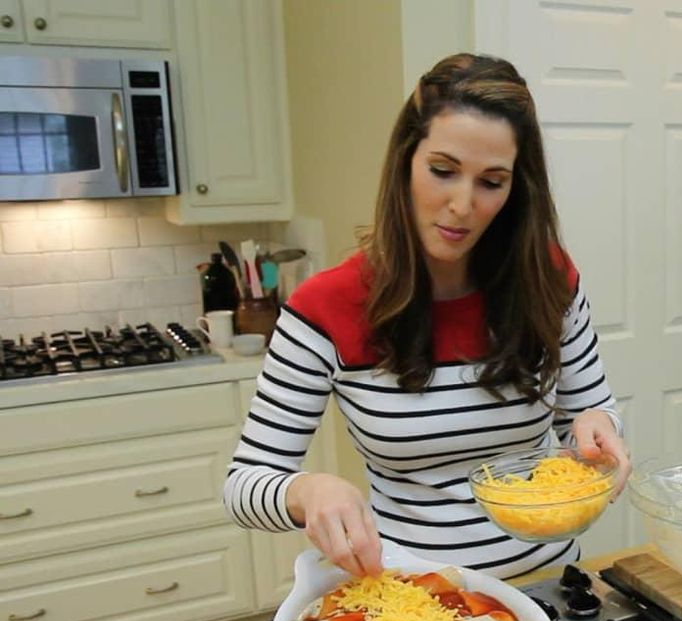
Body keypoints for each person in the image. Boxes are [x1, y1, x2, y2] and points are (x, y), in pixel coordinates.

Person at [223, 53, 631, 580]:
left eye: (491, 182)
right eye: (442, 171)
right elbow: (244, 484)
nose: (462, 204)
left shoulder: (548, 278)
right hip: (417, 600)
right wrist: (307, 490)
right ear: (405, 163)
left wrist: (596, 427)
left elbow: (589, 412)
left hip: (550, 586)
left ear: (516, 189)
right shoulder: (326, 307)